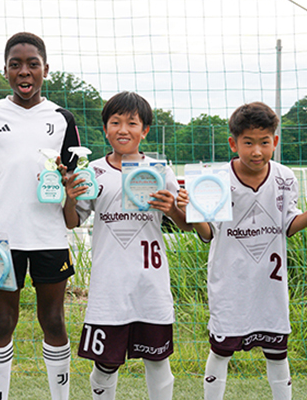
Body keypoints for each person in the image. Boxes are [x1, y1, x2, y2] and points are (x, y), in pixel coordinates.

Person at [0, 32, 80, 400]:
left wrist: (68, 184)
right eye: (16, 65)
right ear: (6, 71)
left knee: (54, 320)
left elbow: (74, 178)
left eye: (32, 64)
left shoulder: (62, 118)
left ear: (46, 69)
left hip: (50, 237)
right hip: (2, 238)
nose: (24, 71)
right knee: (2, 321)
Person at [178, 102, 307, 400]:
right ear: (233, 143)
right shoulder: (215, 180)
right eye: (248, 143)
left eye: (264, 142)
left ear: (275, 141)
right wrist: (192, 214)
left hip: (270, 286)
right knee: (221, 352)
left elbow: (288, 226)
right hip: (229, 283)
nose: (257, 151)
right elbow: (208, 234)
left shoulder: (286, 178)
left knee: (277, 354)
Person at [63, 91, 193, 400]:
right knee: (106, 363)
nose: (123, 130)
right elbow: (72, 221)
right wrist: (69, 199)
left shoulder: (160, 171)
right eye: (115, 122)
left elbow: (186, 224)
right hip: (109, 286)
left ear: (144, 130)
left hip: (151, 284)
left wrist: (173, 210)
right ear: (105, 128)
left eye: (132, 123)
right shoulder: (93, 172)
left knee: (157, 359)